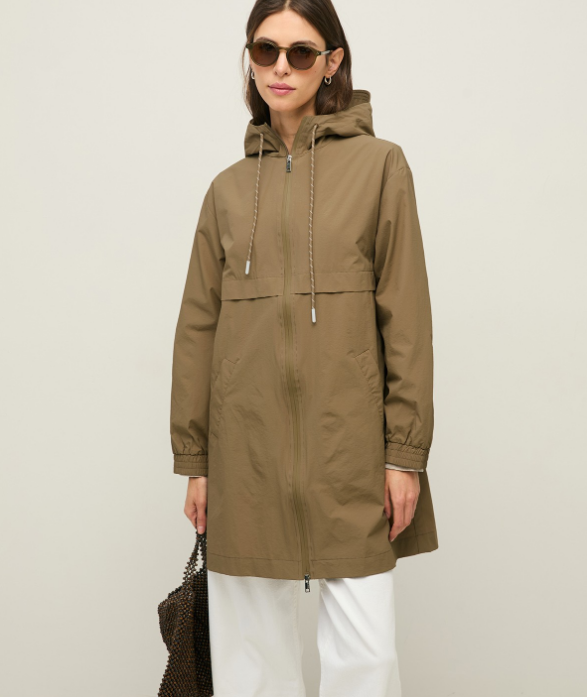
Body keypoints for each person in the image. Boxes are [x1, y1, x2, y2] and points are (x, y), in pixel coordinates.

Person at [169, 1, 438, 695]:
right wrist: (196, 459)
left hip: (350, 451)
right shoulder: (227, 192)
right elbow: (198, 329)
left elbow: (406, 318)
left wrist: (403, 454)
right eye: (265, 51)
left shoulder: (381, 167)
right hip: (246, 455)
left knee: (365, 661)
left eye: (300, 52)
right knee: (250, 667)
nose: (280, 68)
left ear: (332, 62)